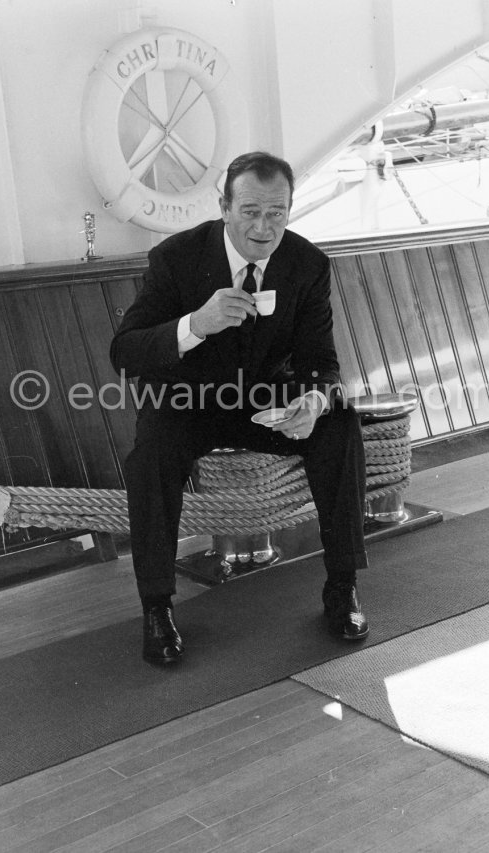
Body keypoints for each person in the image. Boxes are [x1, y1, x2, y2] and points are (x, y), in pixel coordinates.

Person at [110, 151, 369, 665]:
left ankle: (342, 588)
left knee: (340, 422)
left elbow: (321, 360)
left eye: (277, 213)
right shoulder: (176, 258)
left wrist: (313, 400)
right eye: (250, 211)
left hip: (265, 399)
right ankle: (156, 606)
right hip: (185, 398)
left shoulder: (307, 264)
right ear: (223, 206)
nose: (263, 227)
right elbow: (125, 351)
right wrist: (195, 325)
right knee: (151, 456)